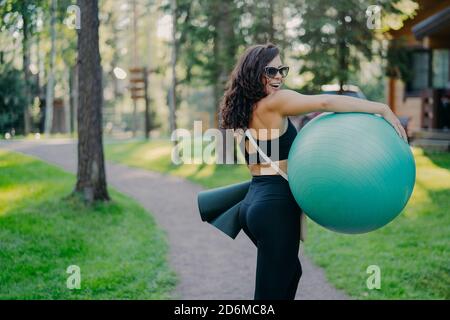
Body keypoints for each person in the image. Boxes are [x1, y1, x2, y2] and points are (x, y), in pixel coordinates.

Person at [218, 43, 407, 300]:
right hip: (275, 208)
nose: (279, 77)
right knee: (270, 294)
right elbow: (326, 101)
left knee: (290, 274)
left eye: (282, 70)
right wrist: (381, 108)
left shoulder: (243, 108)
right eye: (271, 71)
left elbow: (263, 163)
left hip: (253, 205)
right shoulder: (276, 102)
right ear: (254, 72)